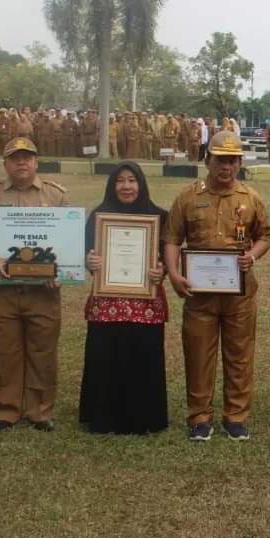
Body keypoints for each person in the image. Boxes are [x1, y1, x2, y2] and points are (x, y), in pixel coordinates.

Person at [165, 131, 270, 441]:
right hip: (199, 294)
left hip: (239, 292)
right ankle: (200, 416)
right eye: (220, 160)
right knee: (198, 354)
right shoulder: (188, 197)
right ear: (207, 160)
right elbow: (172, 238)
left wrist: (251, 256)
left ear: (239, 163)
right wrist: (173, 273)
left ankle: (235, 417)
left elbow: (265, 236)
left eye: (232, 160)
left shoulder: (250, 198)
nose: (227, 167)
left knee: (239, 355)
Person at [0, 137, 70, 432]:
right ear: (5, 164)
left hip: (43, 292)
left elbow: (68, 239)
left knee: (43, 351)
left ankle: (40, 411)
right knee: (3, 350)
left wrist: (60, 271)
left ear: (36, 162)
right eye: (15, 158)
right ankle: (6, 411)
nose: (22, 162)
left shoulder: (55, 195)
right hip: (2, 288)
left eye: (27, 157)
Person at [79, 162, 169, 435]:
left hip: (145, 301)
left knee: (143, 354)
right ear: (112, 185)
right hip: (107, 299)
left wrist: (162, 269)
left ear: (141, 184)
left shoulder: (159, 217)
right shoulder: (98, 216)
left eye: (132, 180)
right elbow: (86, 253)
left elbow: (169, 257)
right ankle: (103, 415)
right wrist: (90, 260)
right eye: (120, 181)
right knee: (105, 355)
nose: (127, 186)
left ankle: (144, 416)